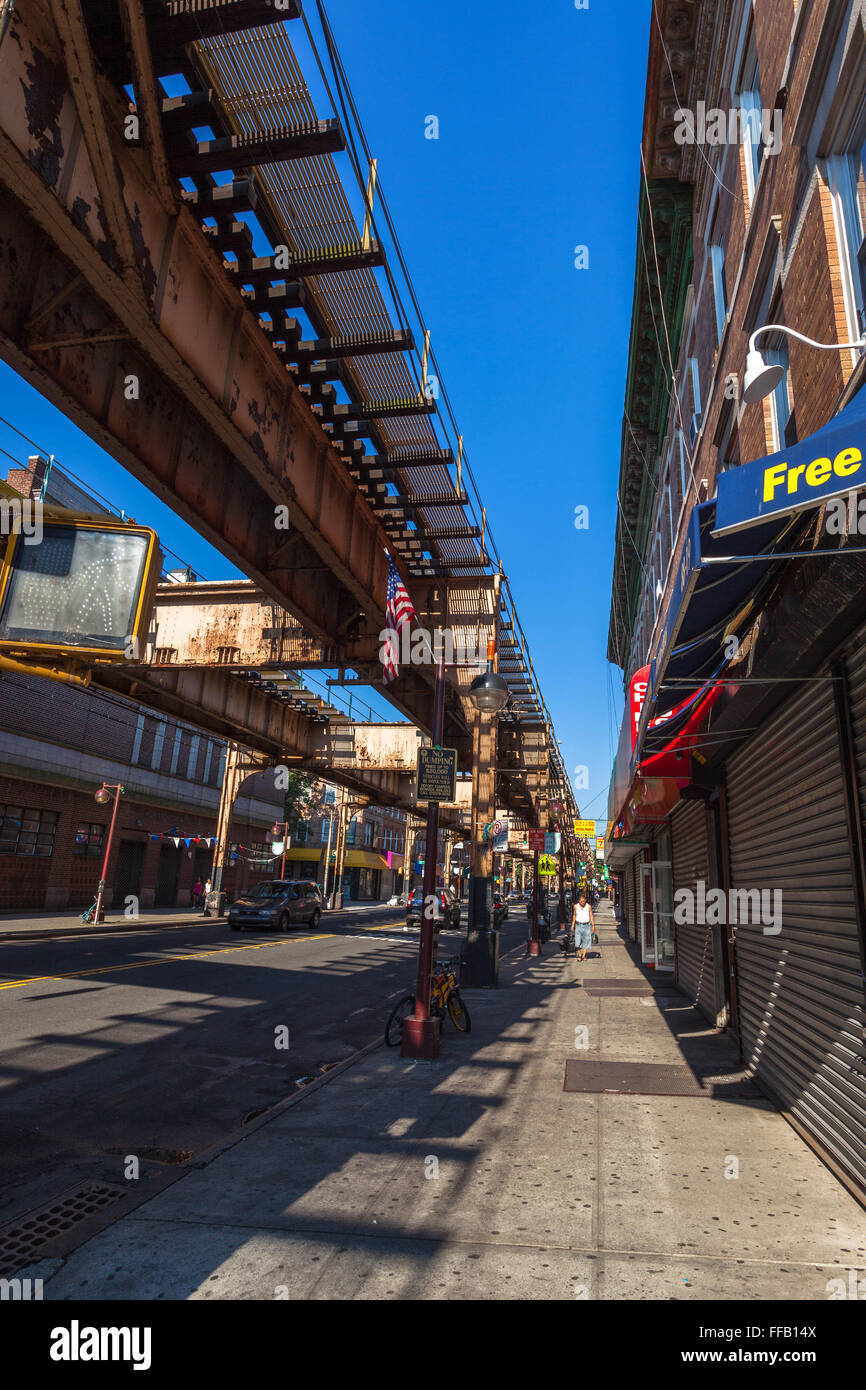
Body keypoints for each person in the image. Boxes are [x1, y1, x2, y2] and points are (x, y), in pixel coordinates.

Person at [571, 893, 595, 962]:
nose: (582, 903)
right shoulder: (575, 906)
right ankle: (579, 954)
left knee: (586, 941)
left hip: (587, 925)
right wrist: (572, 925)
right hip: (578, 925)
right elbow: (574, 915)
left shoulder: (588, 906)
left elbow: (591, 916)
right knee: (577, 941)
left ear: (586, 901)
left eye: (584, 901)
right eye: (581, 901)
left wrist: (593, 925)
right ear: (579, 901)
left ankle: (584, 955)